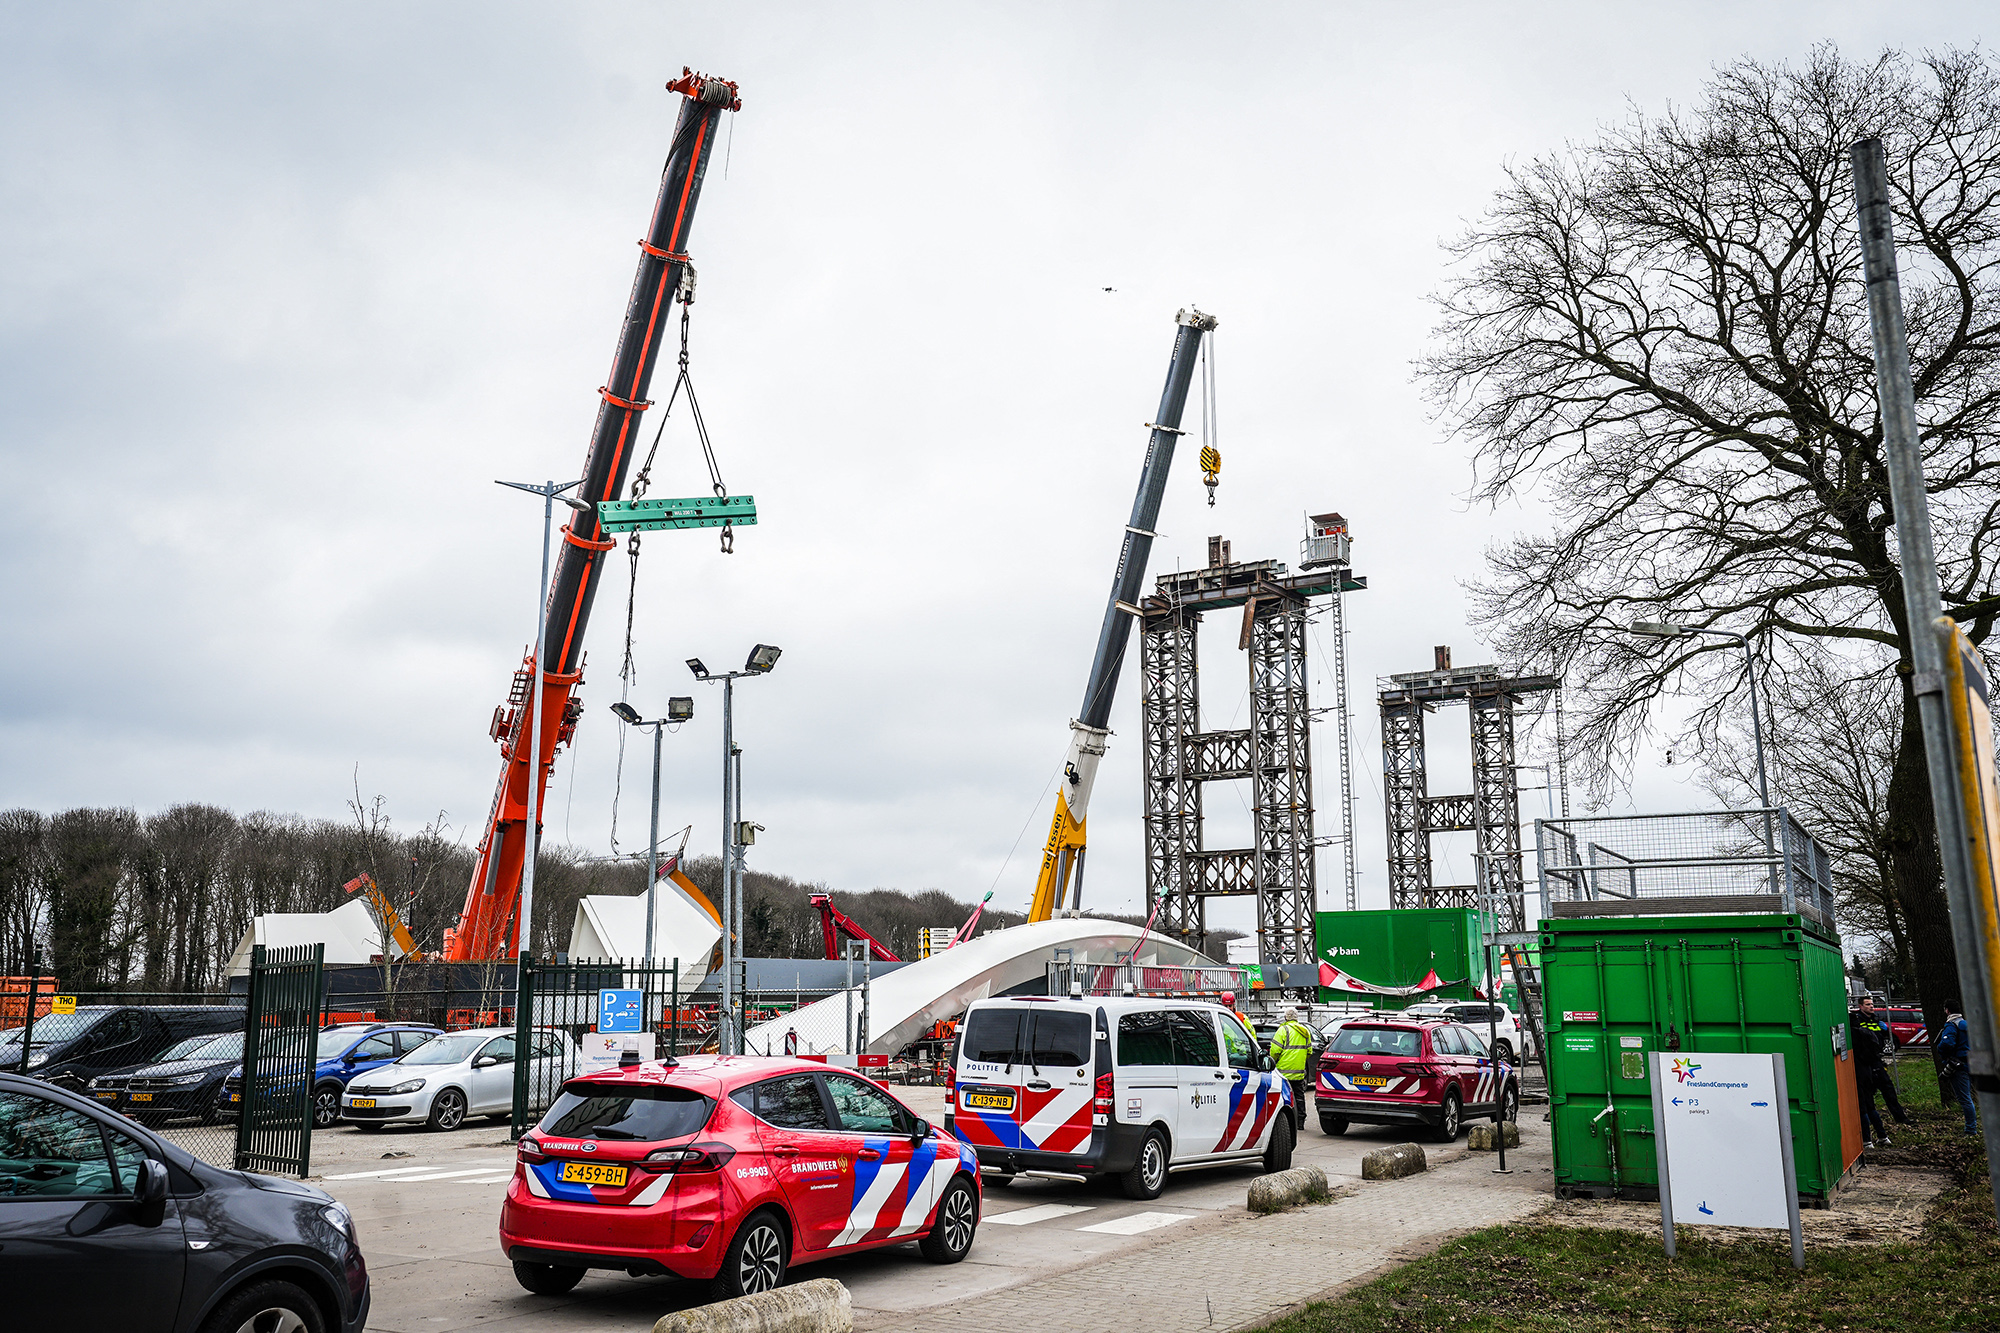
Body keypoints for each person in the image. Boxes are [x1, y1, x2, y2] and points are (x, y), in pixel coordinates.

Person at [1848, 995, 1909, 1147]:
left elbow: (1881, 1040)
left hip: (1867, 1065)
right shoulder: (1861, 1024)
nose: (1871, 1006)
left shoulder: (1873, 1022)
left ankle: (1870, 1139)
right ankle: (1881, 1136)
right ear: (1860, 1006)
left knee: (1878, 1096)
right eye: (1868, 1004)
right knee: (1870, 1104)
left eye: (1872, 1004)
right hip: (1869, 1066)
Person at [1935, 1002, 1980, 1137]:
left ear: (1947, 1011)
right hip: (1973, 1063)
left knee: (1965, 1098)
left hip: (1959, 1066)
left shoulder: (1951, 1025)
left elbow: (1947, 1043)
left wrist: (1941, 1050)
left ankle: (1971, 1130)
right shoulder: (1966, 1024)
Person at [1268, 1007, 1315, 1131]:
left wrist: (1273, 1062)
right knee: (1299, 1096)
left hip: (1283, 1073)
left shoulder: (1283, 1030)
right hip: (1299, 1072)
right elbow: (1309, 1051)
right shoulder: (1305, 1031)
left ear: (1286, 1017)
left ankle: (1286, 1123)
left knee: (1283, 1098)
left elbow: (1275, 1051)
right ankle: (1300, 1121)